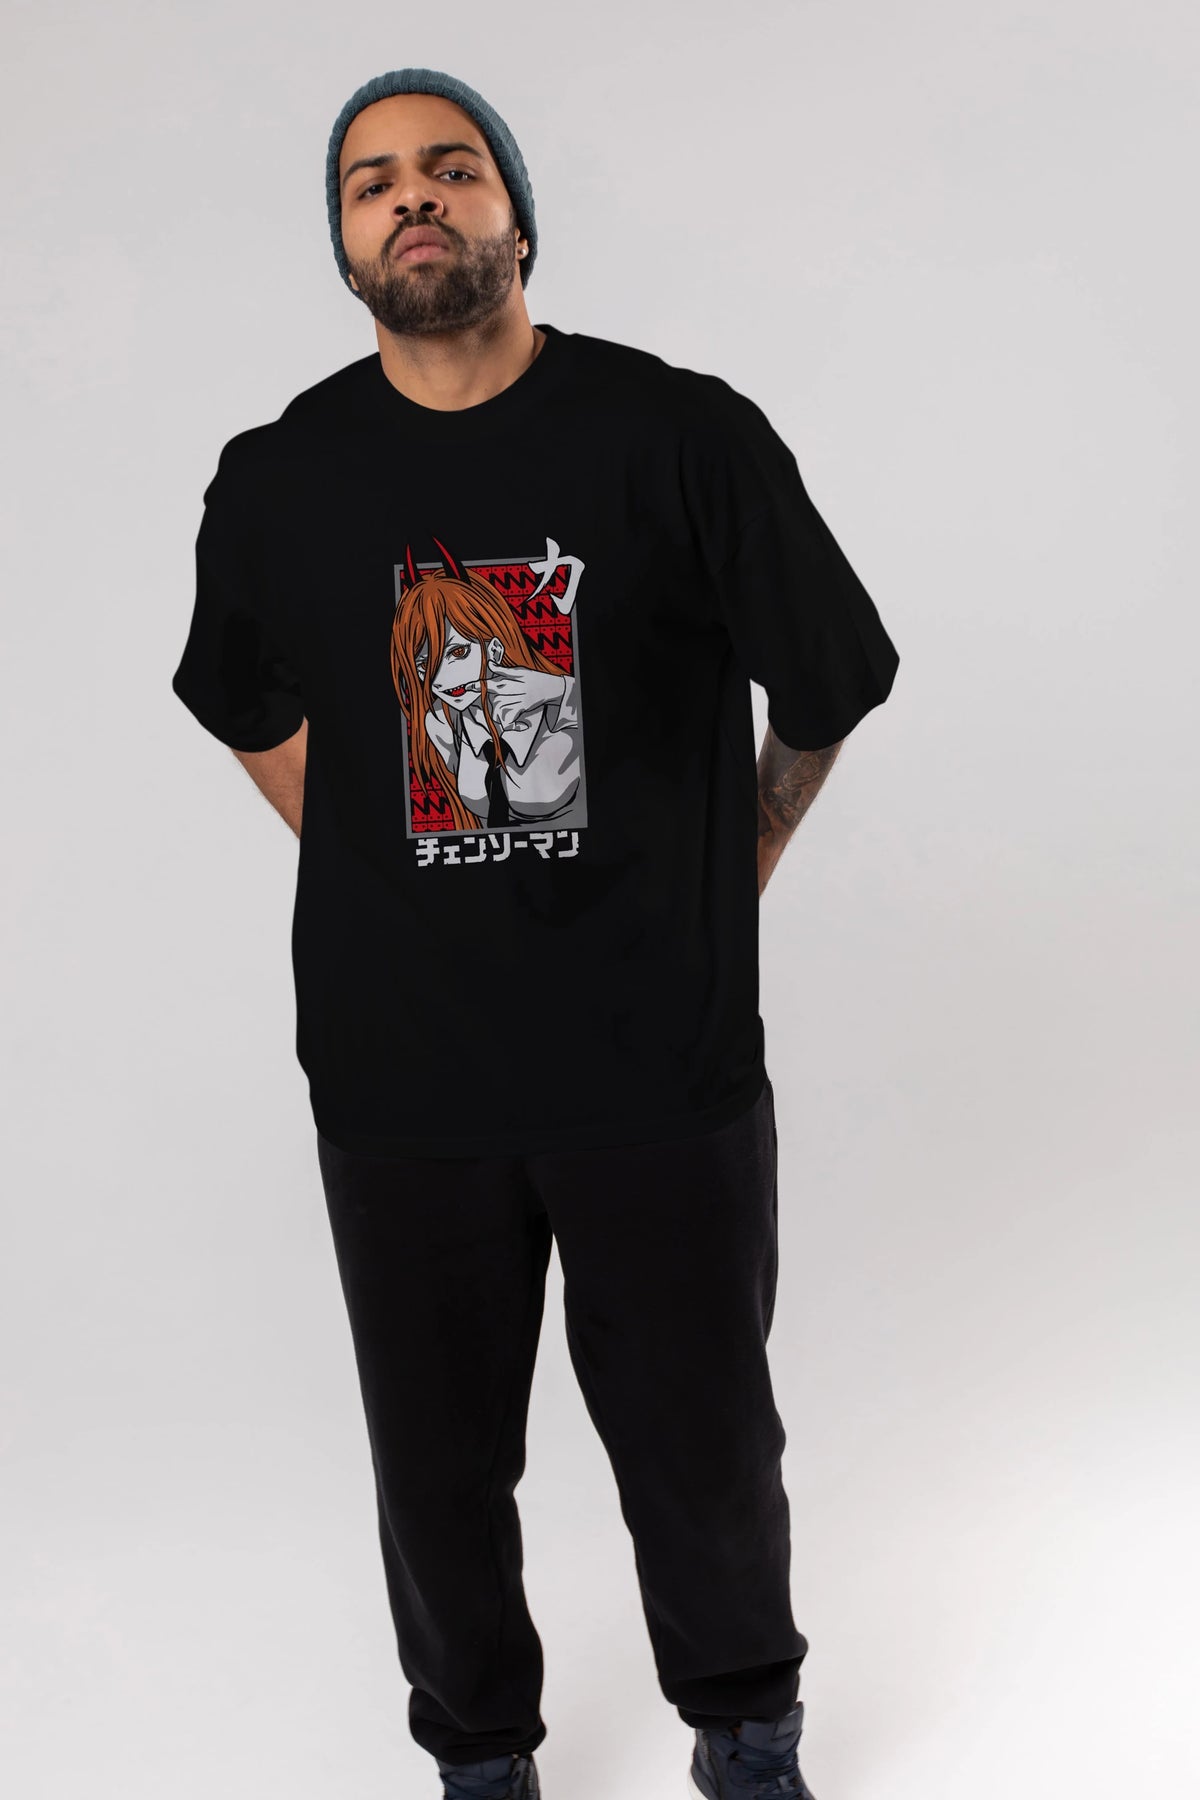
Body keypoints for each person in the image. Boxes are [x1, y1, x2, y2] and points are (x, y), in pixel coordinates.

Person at [170, 65, 900, 1800]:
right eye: (372, 183)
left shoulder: (681, 437)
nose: (413, 197)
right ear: (345, 243)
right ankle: (480, 1758)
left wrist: (744, 856)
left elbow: (829, 677)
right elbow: (243, 701)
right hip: (403, 1075)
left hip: (659, 1060)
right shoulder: (280, 478)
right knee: (435, 1470)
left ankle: (747, 1731)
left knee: (704, 1442)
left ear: (516, 214)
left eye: (452, 167)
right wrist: (373, 852)